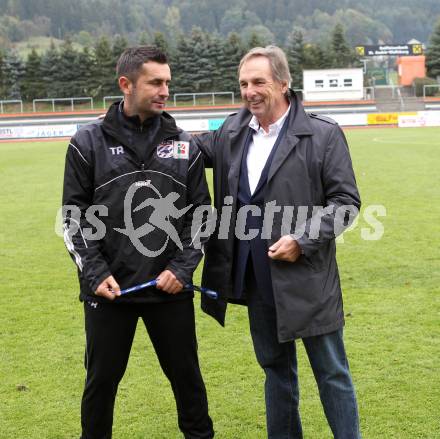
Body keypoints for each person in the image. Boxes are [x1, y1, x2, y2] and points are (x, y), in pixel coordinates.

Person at [194, 46, 362, 438]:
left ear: (284, 84)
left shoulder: (322, 134)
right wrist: (135, 124)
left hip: (307, 278)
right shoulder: (231, 133)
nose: (249, 91)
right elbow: (184, 145)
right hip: (256, 278)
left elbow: (346, 204)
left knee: (331, 373)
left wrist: (302, 240)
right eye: (243, 83)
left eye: (259, 82)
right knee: (276, 371)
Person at [62, 46, 214, 439]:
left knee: (188, 381)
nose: (165, 90)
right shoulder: (87, 142)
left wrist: (181, 270)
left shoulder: (185, 144)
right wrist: (95, 273)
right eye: (156, 82)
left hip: (169, 289)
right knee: (101, 383)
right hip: (109, 291)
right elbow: (73, 217)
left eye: (168, 82)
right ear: (126, 84)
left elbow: (201, 214)